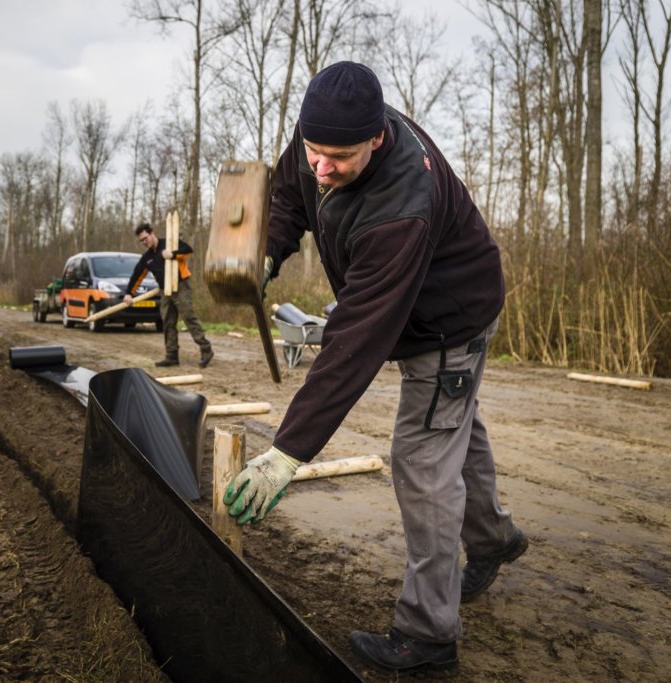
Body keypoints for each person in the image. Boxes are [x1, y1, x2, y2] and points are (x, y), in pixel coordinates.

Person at [222, 62, 527, 675]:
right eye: (314, 151)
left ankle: (430, 637)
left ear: (376, 139)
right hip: (413, 311)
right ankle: (496, 539)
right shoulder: (323, 134)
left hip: (450, 320)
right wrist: (270, 252)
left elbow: (354, 341)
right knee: (452, 430)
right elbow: (286, 193)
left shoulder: (401, 206)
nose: (322, 167)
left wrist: (288, 451)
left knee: (422, 460)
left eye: (339, 157)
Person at [124, 222, 214, 368]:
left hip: (181, 286)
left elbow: (188, 250)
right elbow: (137, 275)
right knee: (167, 322)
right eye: (141, 241)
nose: (144, 242)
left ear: (152, 233)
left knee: (189, 317)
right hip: (165, 291)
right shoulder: (147, 258)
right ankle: (171, 356)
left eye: (145, 238)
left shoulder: (169, 243)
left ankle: (206, 349)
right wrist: (129, 293)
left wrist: (173, 254)